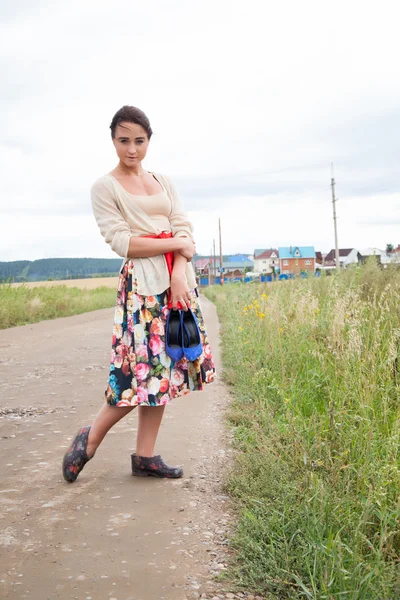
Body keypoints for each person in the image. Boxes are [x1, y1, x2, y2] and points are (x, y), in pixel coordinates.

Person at [62, 105, 215, 482]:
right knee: (137, 372)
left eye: (139, 141)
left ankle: (144, 457)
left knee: (165, 372)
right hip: (142, 289)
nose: (131, 149)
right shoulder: (105, 186)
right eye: (123, 140)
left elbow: (184, 229)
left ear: (149, 140)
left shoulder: (163, 180)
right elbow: (121, 241)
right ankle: (90, 439)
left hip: (177, 285)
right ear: (113, 140)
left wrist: (179, 270)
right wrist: (172, 246)